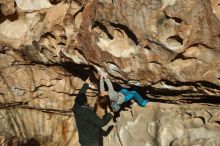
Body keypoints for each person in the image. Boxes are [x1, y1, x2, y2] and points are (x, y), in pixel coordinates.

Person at [72, 77, 113, 146]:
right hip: (91, 142)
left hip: (83, 140)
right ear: (85, 102)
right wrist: (110, 114)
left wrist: (86, 84)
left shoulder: (76, 107)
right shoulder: (88, 113)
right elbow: (101, 123)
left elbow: (79, 95)